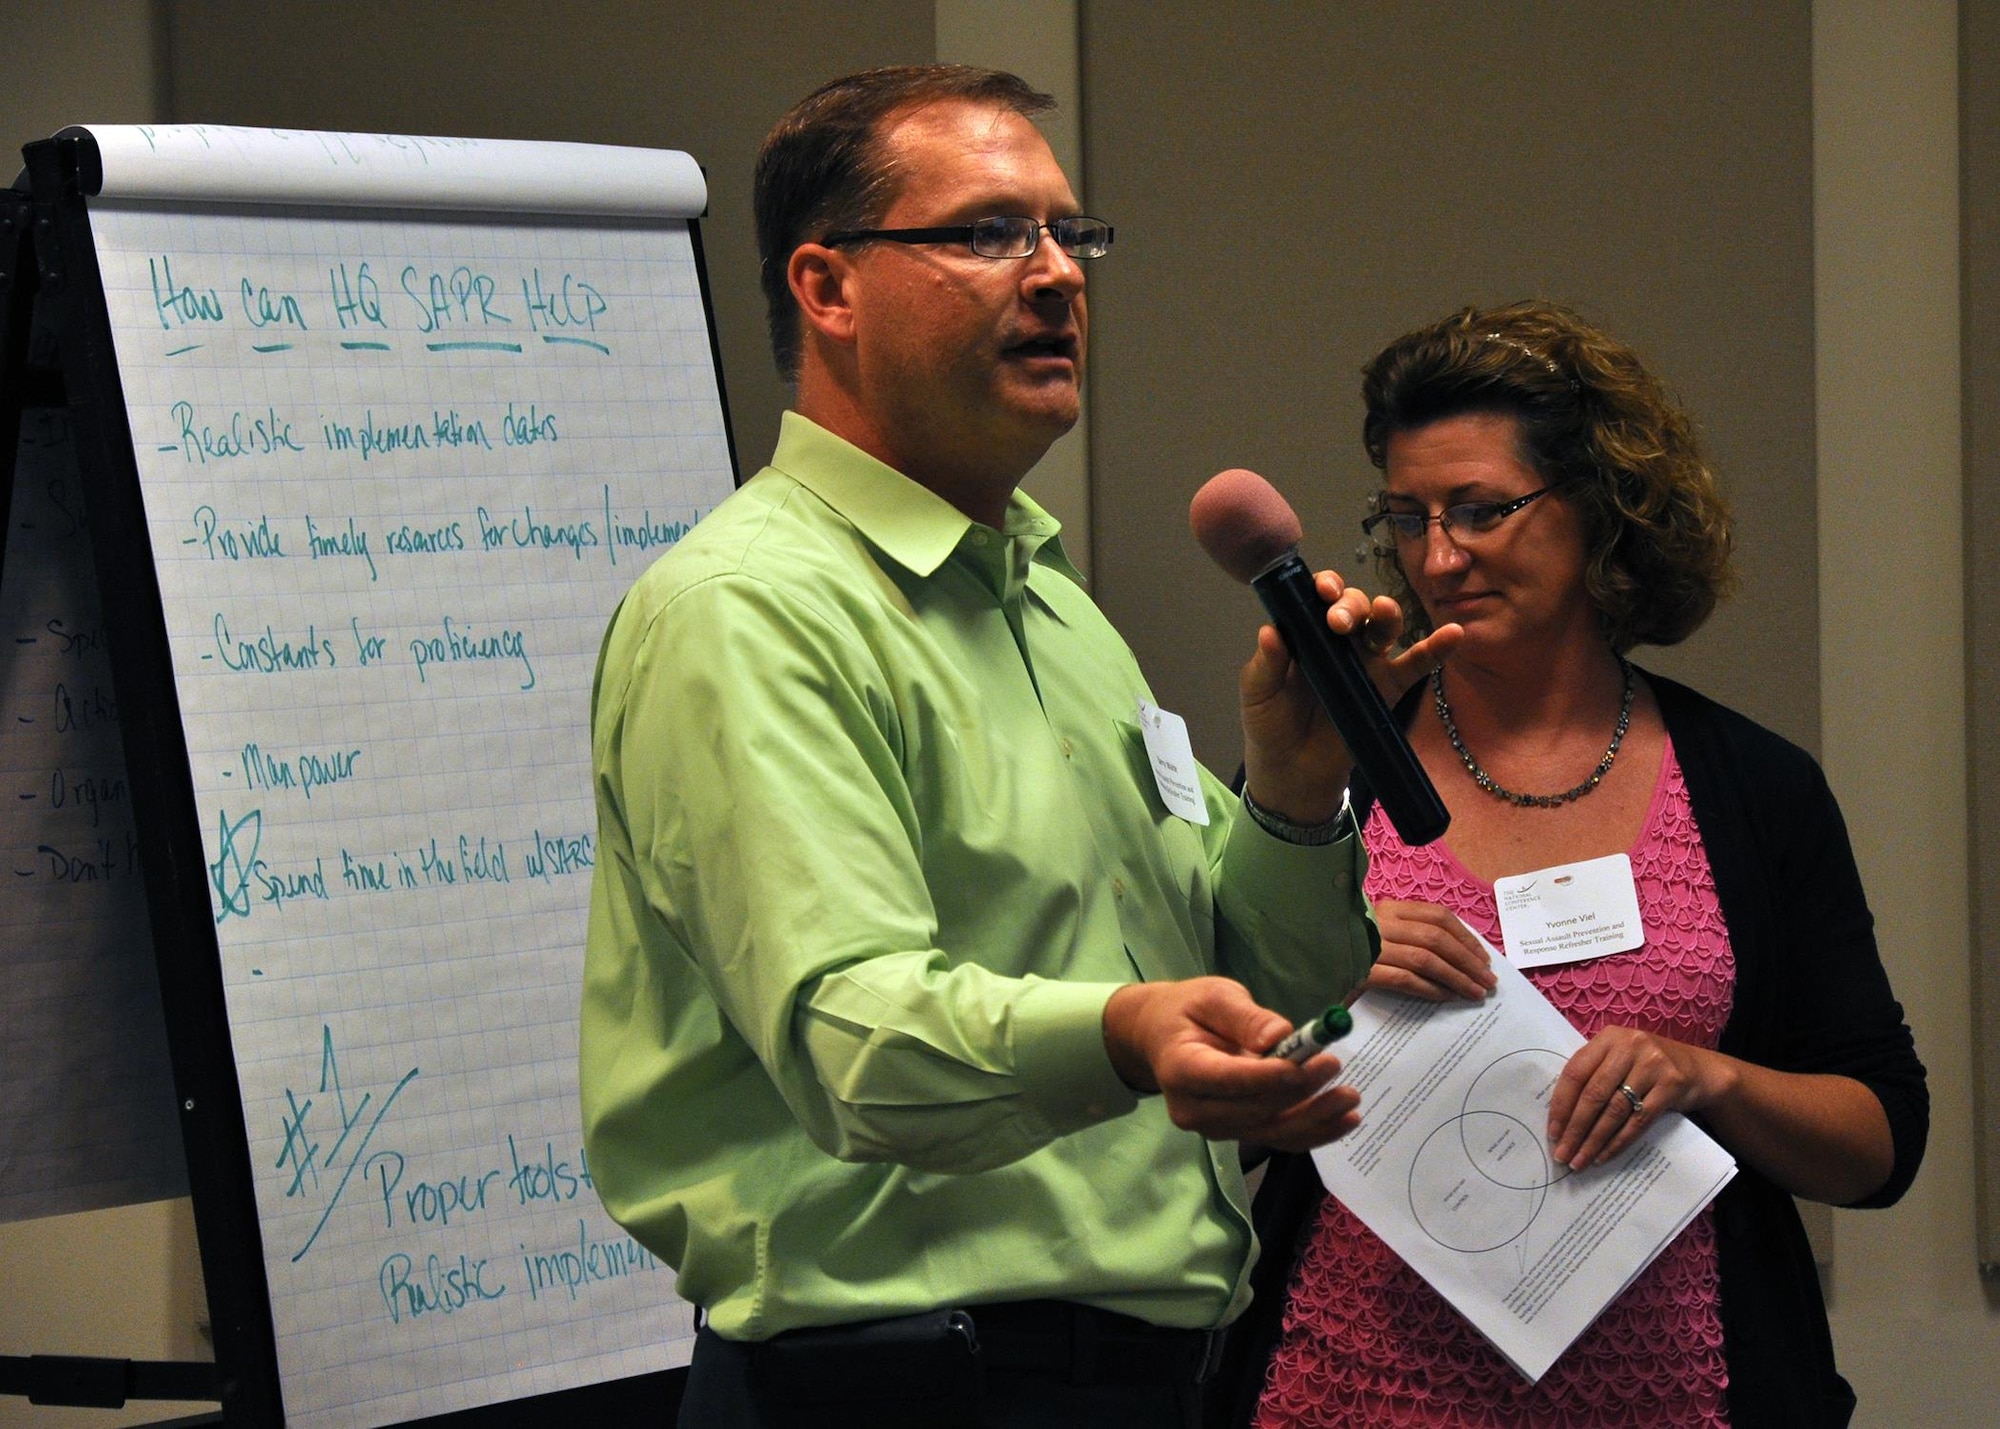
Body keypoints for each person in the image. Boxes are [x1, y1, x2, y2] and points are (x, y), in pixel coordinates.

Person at [580, 66, 1437, 1427]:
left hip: (1135, 1378)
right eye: (987, 233)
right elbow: (855, 1035)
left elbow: (1273, 978)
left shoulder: (1054, 606)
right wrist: (1127, 1029)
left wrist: (1295, 789)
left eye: (1068, 234)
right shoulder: (748, 611)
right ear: (828, 289)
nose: (1056, 277)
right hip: (899, 1389)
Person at [1230, 301, 1929, 1428]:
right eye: (1404, 517)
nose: (1437, 556)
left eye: (1481, 510)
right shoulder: (1322, 768)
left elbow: (1878, 1145)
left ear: (1601, 508)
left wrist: (1708, 1078)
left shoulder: (1753, 788)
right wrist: (1320, 983)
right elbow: (1196, 1117)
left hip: (1680, 1394)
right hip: (1349, 1393)